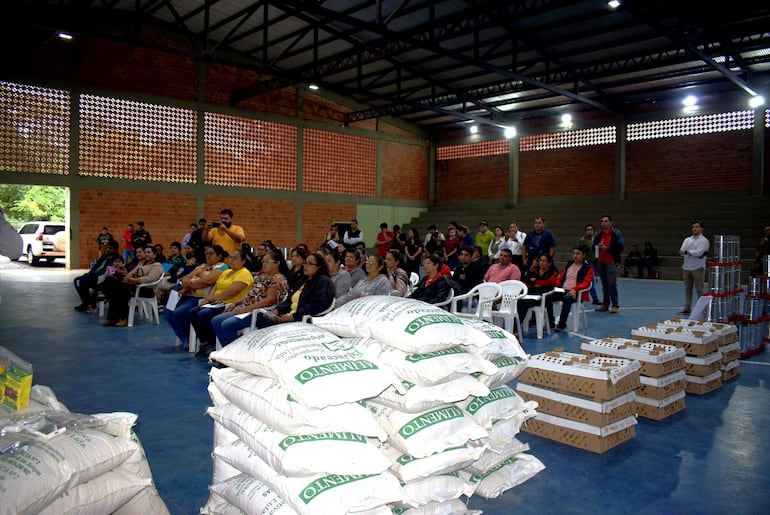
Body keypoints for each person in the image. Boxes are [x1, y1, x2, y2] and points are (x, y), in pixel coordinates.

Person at [211, 249, 290, 347]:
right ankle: (227, 352)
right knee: (216, 320)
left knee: (227, 325)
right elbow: (250, 295)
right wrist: (235, 303)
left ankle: (237, 354)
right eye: (263, 261)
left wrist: (245, 309)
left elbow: (269, 301)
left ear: (277, 263)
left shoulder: (277, 279)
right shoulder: (261, 277)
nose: (263, 264)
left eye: (267, 262)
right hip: (247, 310)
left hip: (262, 313)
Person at [192, 249, 254, 356]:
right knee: (193, 313)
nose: (231, 260)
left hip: (229, 303)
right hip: (216, 302)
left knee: (204, 315)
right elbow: (215, 288)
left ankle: (213, 344)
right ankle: (204, 342)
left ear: (243, 261)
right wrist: (207, 300)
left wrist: (212, 300)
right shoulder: (226, 272)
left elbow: (231, 293)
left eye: (235, 258)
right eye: (230, 257)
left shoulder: (244, 274)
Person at [251, 252, 335, 329]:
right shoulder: (303, 281)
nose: (305, 266)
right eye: (305, 263)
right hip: (289, 315)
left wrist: (293, 317)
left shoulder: (323, 281)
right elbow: (289, 300)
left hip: (303, 320)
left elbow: (317, 305)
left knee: (264, 326)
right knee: (260, 319)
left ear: (319, 266)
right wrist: (277, 310)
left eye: (310, 264)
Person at [167, 245, 229, 349]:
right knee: (168, 312)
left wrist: (191, 283)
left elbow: (208, 281)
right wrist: (191, 282)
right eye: (207, 253)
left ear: (219, 256)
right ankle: (183, 337)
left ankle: (189, 339)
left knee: (179, 312)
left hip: (200, 298)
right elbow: (185, 278)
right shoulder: (202, 266)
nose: (208, 256)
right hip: (186, 293)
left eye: (211, 253)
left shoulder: (221, 267)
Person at [102, 246, 164, 327]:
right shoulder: (142, 263)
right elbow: (131, 273)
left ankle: (123, 318)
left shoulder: (157, 266)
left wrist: (133, 280)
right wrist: (126, 277)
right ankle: (112, 318)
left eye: (149, 252)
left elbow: (150, 279)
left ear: (155, 254)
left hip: (145, 289)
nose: (146, 254)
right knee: (111, 281)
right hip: (133, 285)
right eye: (145, 252)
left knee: (120, 290)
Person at [551, 247, 594, 332]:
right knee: (547, 297)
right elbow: (560, 278)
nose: (575, 256)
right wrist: (555, 287)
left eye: (578, 254)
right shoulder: (569, 265)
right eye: (574, 253)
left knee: (567, 299)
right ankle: (550, 321)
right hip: (563, 289)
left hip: (577, 292)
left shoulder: (588, 267)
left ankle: (562, 324)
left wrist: (575, 289)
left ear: (583, 255)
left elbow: (586, 283)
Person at [516, 254, 559, 331]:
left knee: (524, 303)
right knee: (519, 301)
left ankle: (516, 328)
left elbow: (548, 282)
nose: (541, 262)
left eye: (544, 261)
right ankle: (516, 326)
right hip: (532, 294)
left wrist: (535, 281)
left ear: (549, 263)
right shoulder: (535, 270)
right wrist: (531, 268)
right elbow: (526, 280)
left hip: (544, 296)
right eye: (540, 260)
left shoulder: (553, 272)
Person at [74, 240, 119, 312]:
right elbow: (96, 266)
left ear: (115, 250)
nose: (108, 249)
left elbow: (105, 272)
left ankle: (88, 304)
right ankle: (86, 303)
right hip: (94, 276)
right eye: (107, 247)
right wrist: (89, 272)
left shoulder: (116, 259)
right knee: (77, 280)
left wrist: (93, 274)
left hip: (101, 279)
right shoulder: (104, 256)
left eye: (110, 248)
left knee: (82, 281)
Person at [593, 215, 623, 313]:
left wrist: (608, 249)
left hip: (611, 260)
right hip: (600, 261)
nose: (603, 223)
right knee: (604, 284)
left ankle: (615, 305)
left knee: (611, 283)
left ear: (610, 223)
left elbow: (620, 248)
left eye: (606, 221)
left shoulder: (616, 233)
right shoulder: (598, 234)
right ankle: (605, 304)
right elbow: (594, 246)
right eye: (602, 221)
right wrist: (597, 247)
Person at [678, 220, 710, 315]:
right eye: (693, 227)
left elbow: (699, 252)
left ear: (701, 228)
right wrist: (690, 252)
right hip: (686, 267)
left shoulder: (704, 241)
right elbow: (681, 251)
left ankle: (702, 309)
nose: (694, 229)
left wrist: (688, 252)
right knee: (688, 288)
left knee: (699, 289)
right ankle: (687, 307)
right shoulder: (687, 239)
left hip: (698, 268)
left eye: (697, 227)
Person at [577, 224, 600, 304]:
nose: (590, 231)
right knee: (590, 281)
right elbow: (582, 251)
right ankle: (595, 298)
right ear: (585, 231)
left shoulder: (596, 239)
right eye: (588, 230)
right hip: (588, 262)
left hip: (596, 261)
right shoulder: (583, 240)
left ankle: (585, 297)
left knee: (592, 280)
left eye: (591, 229)